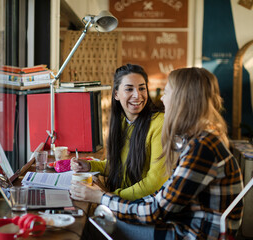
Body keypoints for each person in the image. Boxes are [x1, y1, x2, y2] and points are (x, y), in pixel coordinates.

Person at [70, 67, 244, 239]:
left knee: (98, 225)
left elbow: (156, 210)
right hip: (184, 222)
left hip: (194, 234)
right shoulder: (199, 140)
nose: (162, 99)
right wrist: (106, 194)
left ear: (182, 100)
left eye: (166, 93)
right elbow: (164, 194)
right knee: (103, 219)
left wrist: (102, 197)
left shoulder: (202, 148)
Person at [71, 64, 167, 201]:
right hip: (121, 203)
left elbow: (154, 183)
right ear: (116, 94)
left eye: (142, 88)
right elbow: (119, 166)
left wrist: (108, 197)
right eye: (129, 89)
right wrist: (89, 165)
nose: (137, 95)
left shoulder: (160, 123)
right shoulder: (122, 121)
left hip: (143, 207)